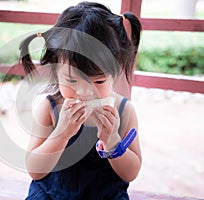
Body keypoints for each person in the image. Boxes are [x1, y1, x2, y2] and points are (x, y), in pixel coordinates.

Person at [19, 1, 142, 199]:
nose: (85, 92)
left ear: (116, 70)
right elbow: (35, 170)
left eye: (98, 81)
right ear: (55, 69)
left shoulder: (123, 111)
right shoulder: (50, 109)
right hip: (52, 195)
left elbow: (131, 172)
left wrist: (113, 142)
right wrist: (60, 135)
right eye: (71, 80)